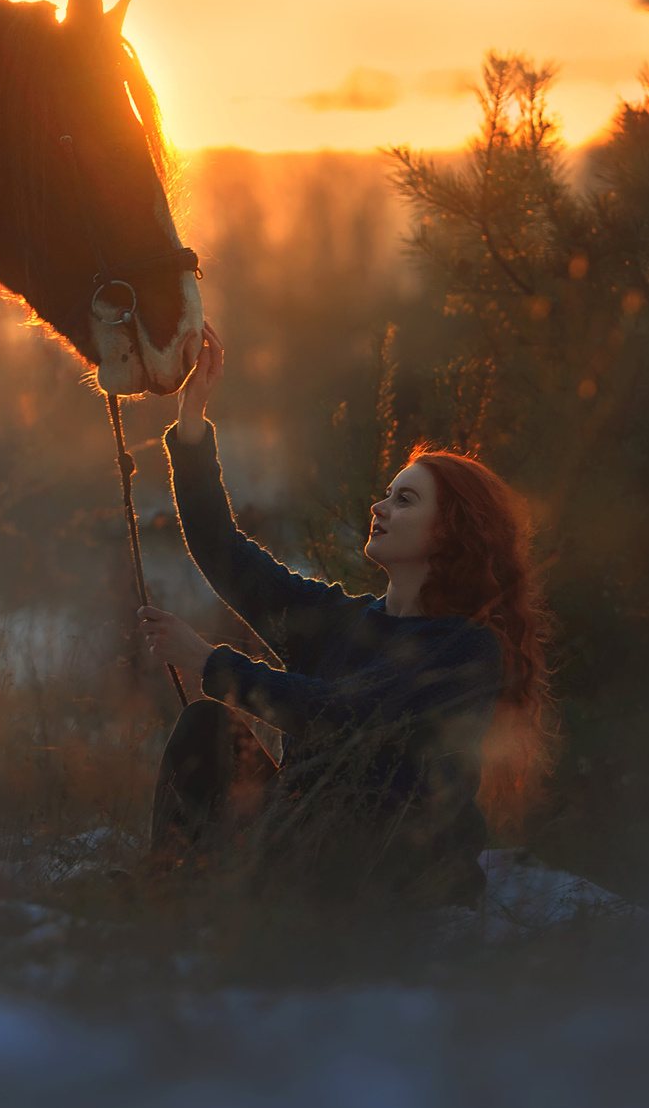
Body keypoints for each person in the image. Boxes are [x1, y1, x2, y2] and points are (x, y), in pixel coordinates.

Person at [135, 325, 552, 906]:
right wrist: (193, 418)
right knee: (208, 729)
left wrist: (210, 662)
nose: (379, 507)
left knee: (333, 808)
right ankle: (168, 894)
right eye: (386, 493)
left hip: (388, 873)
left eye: (404, 500)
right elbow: (222, 549)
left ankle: (228, 902)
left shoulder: (466, 649)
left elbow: (349, 715)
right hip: (300, 850)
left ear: (450, 531)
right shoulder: (340, 619)